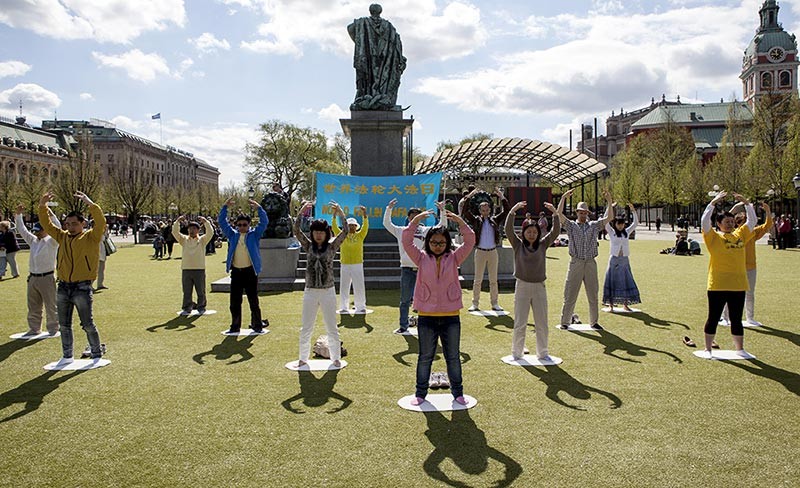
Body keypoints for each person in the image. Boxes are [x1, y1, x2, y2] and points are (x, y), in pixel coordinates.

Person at [402, 209, 474, 405]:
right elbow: (406, 240)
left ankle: (457, 392)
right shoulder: (420, 257)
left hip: (451, 316)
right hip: (427, 316)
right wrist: (416, 220)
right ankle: (420, 393)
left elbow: (470, 240)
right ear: (427, 243)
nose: (437, 246)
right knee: (425, 357)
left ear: (447, 243)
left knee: (453, 357)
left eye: (441, 243)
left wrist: (460, 221)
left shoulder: (455, 258)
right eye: (434, 242)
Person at [38, 191, 106, 365]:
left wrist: (90, 203)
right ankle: (67, 355)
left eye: (74, 224)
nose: (70, 227)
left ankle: (96, 353)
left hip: (82, 287)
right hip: (63, 286)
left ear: (83, 223)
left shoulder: (91, 237)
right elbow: (46, 224)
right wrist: (42, 205)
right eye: (67, 224)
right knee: (64, 325)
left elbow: (100, 222)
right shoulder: (62, 237)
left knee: (87, 324)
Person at [504, 195, 564, 360]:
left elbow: (555, 232)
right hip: (522, 286)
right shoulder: (518, 245)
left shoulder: (543, 245)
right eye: (529, 232)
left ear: (538, 233)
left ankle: (543, 352)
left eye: (534, 232)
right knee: (520, 322)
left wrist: (555, 214)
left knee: (541, 322)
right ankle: (517, 352)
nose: (531, 234)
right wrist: (513, 211)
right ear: (524, 233)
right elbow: (508, 230)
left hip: (539, 287)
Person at [699, 191, 756, 358]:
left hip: (738, 284)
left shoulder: (740, 235)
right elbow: (704, 222)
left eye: (732, 221)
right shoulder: (713, 237)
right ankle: (708, 349)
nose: (730, 224)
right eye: (727, 221)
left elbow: (752, 221)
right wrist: (713, 203)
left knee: (736, 318)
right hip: (718, 284)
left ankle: (740, 349)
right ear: (719, 224)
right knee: (714, 317)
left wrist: (747, 203)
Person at [292, 201, 349, 368]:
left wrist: (340, 213)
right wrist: (301, 212)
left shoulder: (332, 247)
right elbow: (296, 231)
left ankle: (335, 357)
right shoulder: (308, 246)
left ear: (326, 233)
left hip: (328, 291)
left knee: (332, 327)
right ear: (312, 233)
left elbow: (345, 231)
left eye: (321, 232)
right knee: (306, 327)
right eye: (315, 232)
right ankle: (303, 358)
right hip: (310, 291)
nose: (318, 235)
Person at [383, 198, 448, 333]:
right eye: (413, 217)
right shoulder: (402, 231)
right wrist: (389, 209)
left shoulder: (426, 231)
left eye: (418, 216)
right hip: (407, 269)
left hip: (423, 269)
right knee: (405, 299)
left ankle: (426, 324)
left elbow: (442, 227)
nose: (415, 219)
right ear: (408, 218)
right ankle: (403, 326)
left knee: (426, 298)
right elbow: (387, 224)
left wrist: (442, 211)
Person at [557, 189, 613, 330]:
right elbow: (559, 214)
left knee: (593, 294)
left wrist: (609, 201)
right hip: (576, 262)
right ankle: (565, 321)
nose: (582, 215)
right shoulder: (571, 226)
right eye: (580, 212)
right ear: (577, 213)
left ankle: (594, 321)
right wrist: (563, 198)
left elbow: (609, 218)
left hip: (590, 263)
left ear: (588, 213)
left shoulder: (594, 226)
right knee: (570, 293)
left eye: (585, 212)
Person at [218, 197, 269, 333]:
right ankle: (235, 326)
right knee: (234, 302)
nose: (242, 227)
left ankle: (257, 325)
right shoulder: (232, 235)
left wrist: (259, 208)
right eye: (239, 225)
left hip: (250, 272)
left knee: (253, 300)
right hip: (236, 272)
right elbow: (222, 222)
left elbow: (264, 222)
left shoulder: (254, 234)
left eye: (244, 225)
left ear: (249, 225)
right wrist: (225, 207)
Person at [720, 202, 772, 327]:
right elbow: (724, 219)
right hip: (735, 267)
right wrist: (735, 208)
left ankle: (750, 318)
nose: (747, 225)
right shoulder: (733, 233)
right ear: (737, 223)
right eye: (743, 222)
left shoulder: (753, 233)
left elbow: (767, 225)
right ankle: (725, 317)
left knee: (749, 293)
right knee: (730, 293)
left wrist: (768, 211)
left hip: (750, 267)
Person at [459, 187, 510, 311]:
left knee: (493, 280)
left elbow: (506, 211)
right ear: (480, 211)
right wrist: (469, 196)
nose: (485, 212)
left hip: (493, 252)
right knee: (478, 279)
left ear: (490, 210)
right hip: (480, 251)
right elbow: (465, 212)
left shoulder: (495, 220)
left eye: (487, 210)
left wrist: (502, 197)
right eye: (483, 210)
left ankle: (495, 303)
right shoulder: (476, 220)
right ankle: (475, 303)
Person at [348, 4, 406, 110]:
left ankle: (370, 97)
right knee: (382, 79)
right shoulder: (389, 27)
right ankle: (379, 97)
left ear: (370, 11)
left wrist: (359, 41)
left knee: (368, 79)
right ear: (380, 11)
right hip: (384, 59)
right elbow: (397, 44)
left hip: (368, 58)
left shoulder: (362, 22)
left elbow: (350, 28)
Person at [14, 205, 61, 335]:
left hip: (47, 277)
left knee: (51, 305)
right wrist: (18, 215)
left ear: (46, 230)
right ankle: (34, 328)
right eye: (35, 231)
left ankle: (53, 328)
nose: (36, 233)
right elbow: (22, 230)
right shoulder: (34, 241)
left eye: (39, 231)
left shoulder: (52, 242)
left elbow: (58, 228)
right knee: (33, 305)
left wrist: (51, 215)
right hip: (33, 277)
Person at [173, 215, 215, 315]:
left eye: (194, 229)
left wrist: (205, 222)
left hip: (199, 269)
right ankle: (187, 307)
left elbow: (210, 233)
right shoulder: (184, 240)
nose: (191, 230)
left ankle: (201, 307)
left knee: (201, 290)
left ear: (198, 230)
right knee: (187, 291)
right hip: (186, 269)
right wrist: (177, 221)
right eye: (190, 229)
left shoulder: (202, 240)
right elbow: (175, 232)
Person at [602, 205, 641, 312]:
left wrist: (633, 210)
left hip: (624, 260)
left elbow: (635, 223)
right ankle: (611, 305)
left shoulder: (626, 233)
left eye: (622, 224)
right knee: (612, 281)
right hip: (614, 259)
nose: (620, 226)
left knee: (625, 281)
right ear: (615, 224)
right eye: (618, 224)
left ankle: (625, 304)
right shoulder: (612, 232)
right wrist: (609, 207)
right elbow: (605, 222)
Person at [333, 206, 369, 313]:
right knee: (344, 286)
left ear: (356, 227)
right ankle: (344, 307)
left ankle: (361, 306)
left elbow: (365, 227)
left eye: (353, 225)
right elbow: (334, 227)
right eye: (349, 225)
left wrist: (364, 214)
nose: (351, 227)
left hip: (357, 264)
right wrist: (334, 215)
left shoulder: (360, 235)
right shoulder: (342, 236)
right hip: (345, 264)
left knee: (359, 286)